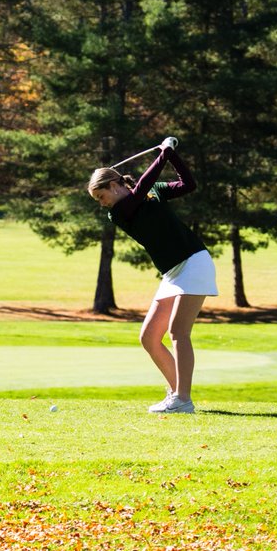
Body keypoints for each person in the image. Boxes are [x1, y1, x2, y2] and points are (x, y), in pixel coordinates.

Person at [88, 137, 217, 414]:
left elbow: (188, 185)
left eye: (101, 196)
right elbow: (140, 190)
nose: (102, 204)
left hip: (193, 261)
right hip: (172, 272)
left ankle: (182, 399)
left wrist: (171, 157)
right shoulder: (120, 212)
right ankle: (178, 395)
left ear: (113, 185)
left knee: (178, 332)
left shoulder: (151, 191)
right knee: (149, 337)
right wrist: (164, 154)